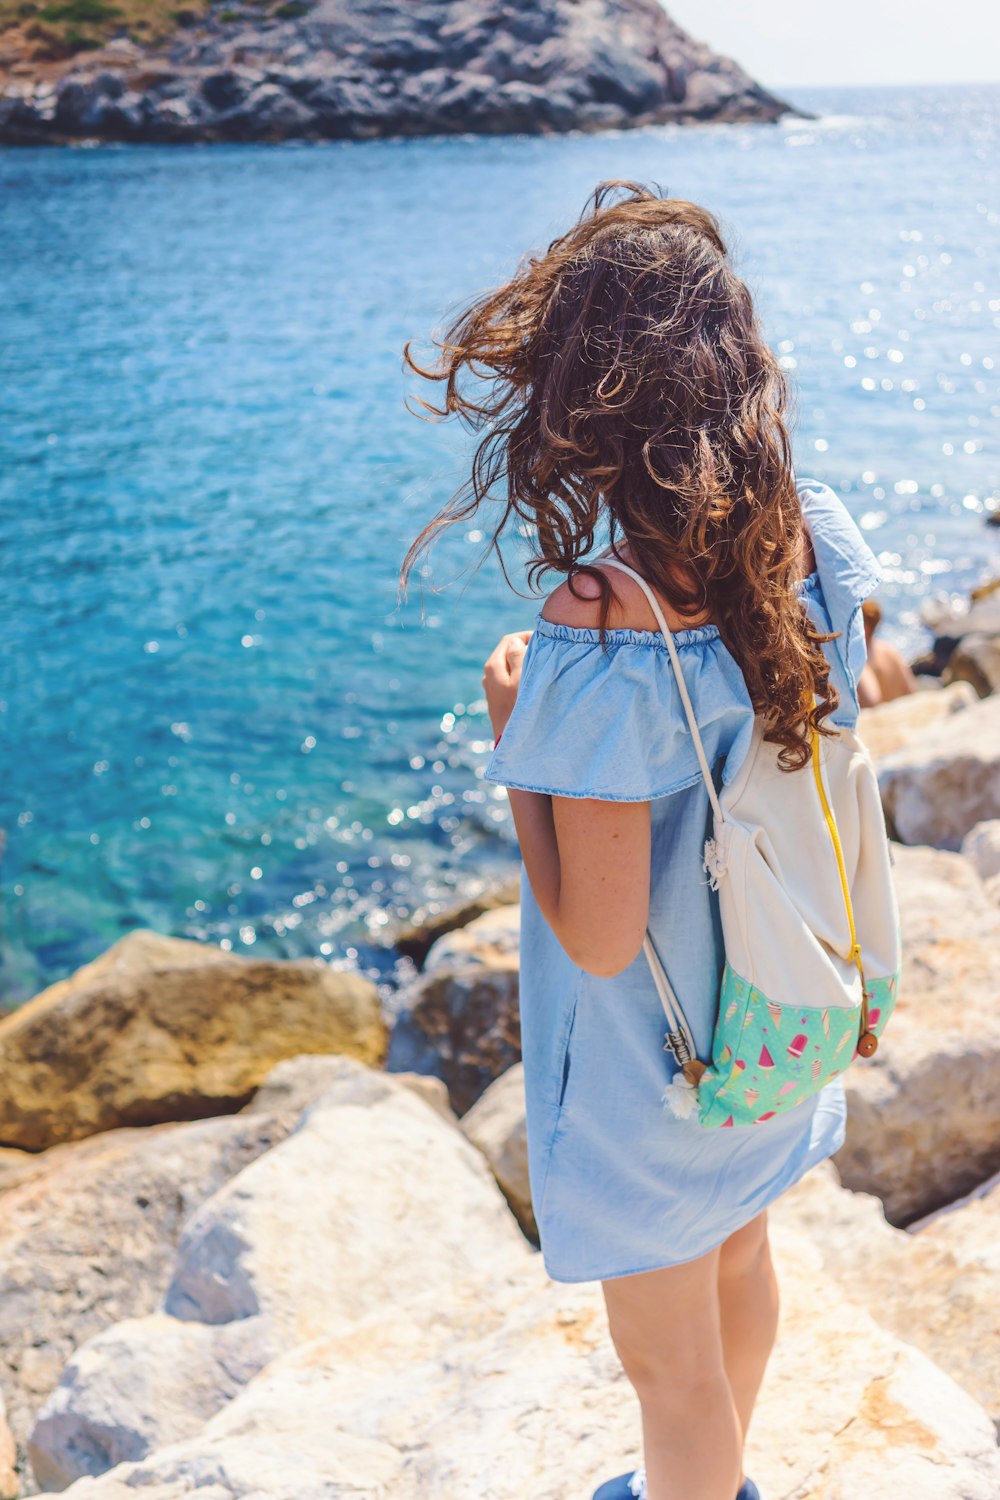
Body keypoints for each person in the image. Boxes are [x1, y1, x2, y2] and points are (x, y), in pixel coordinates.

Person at [399, 181, 882, 1500]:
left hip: (657, 1069)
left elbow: (600, 937)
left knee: (667, 1378)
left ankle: (699, 1482)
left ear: (582, 409)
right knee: (741, 1269)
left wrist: (519, 742)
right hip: (778, 1012)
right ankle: (720, 1476)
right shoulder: (814, 540)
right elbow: (846, 714)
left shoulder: (602, 623)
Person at [856, 597, 918, 706]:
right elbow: (911, 689)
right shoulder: (889, 649)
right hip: (899, 715)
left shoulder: (862, 657)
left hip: (880, 720)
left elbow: (871, 699)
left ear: (864, 627)